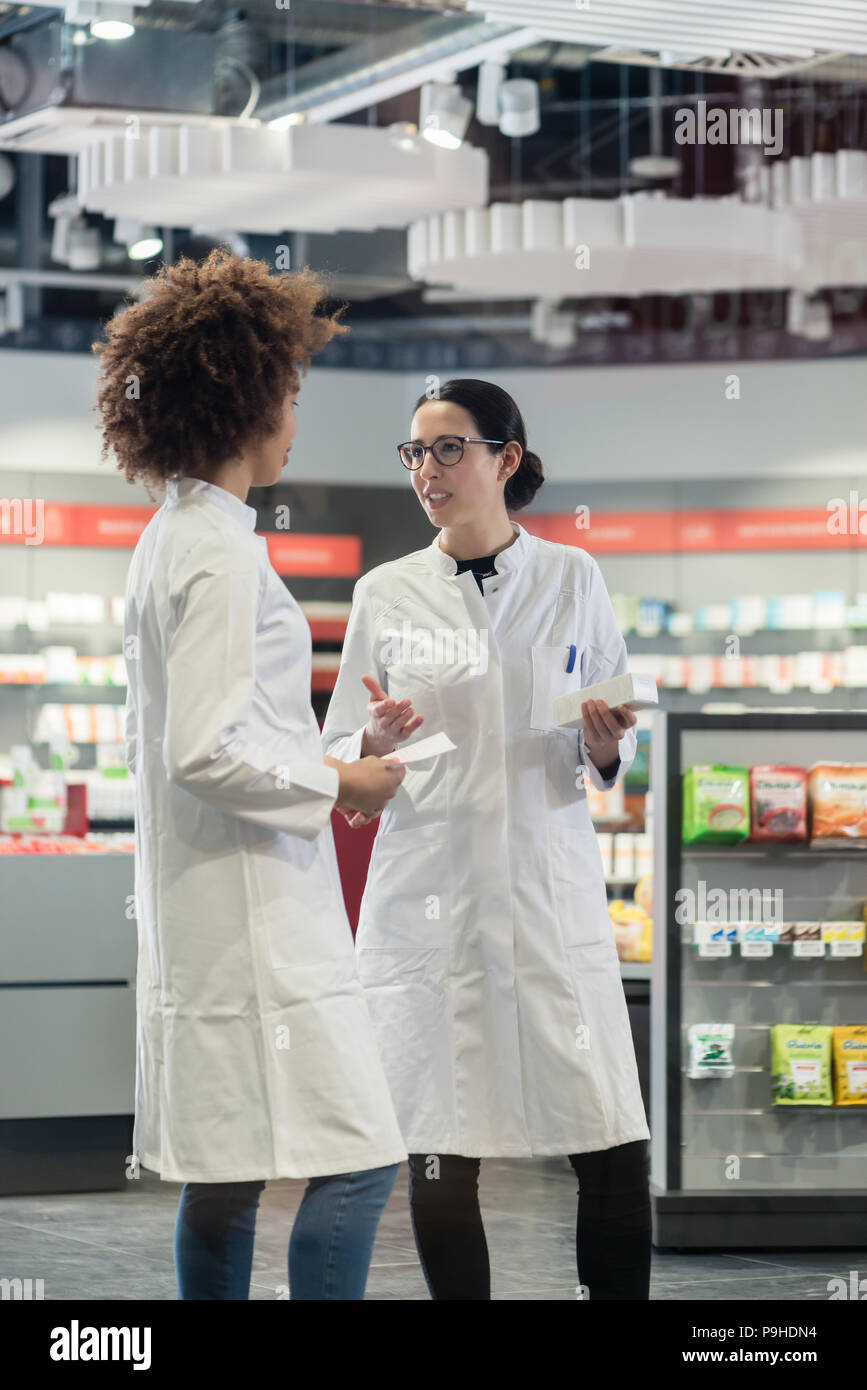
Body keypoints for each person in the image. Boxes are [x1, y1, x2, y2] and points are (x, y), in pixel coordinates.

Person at [92, 249, 408, 1300]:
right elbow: (206, 748)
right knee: (360, 1155)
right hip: (258, 923)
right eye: (295, 392)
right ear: (249, 394)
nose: (297, 418)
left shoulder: (171, 538)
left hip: (211, 915)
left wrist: (332, 756)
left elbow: (196, 733)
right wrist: (344, 786)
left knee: (224, 1177)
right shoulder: (221, 554)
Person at [322, 377, 652, 1300]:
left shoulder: (571, 577)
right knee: (441, 1142)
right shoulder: (384, 592)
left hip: (546, 887)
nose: (427, 470)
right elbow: (343, 752)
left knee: (608, 1134)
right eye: (415, 452)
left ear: (506, 459)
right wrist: (371, 744)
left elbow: (605, 732)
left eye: (449, 449)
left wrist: (601, 744)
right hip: (432, 894)